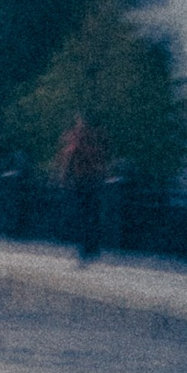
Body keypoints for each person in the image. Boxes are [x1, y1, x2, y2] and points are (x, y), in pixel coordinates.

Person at [56, 113, 112, 263]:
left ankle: (85, 248)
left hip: (81, 181)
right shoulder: (97, 138)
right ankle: (93, 248)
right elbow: (103, 158)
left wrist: (63, 177)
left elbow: (70, 158)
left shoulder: (78, 139)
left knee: (81, 216)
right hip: (94, 180)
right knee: (92, 215)